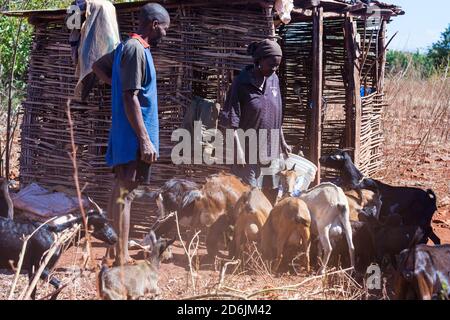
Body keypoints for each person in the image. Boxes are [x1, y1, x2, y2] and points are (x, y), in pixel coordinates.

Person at [92, 3, 170, 266]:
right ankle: (121, 255)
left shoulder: (126, 49)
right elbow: (130, 97)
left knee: (120, 190)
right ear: (154, 24)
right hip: (132, 135)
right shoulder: (136, 49)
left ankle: (114, 251)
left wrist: (116, 82)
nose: (166, 35)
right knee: (126, 193)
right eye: (165, 29)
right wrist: (145, 139)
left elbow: (97, 67)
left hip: (126, 133)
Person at [220, 39, 291, 205]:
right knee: (248, 197)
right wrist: (238, 150)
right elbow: (231, 119)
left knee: (270, 193)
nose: (274, 69)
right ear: (259, 60)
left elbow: (276, 113)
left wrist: (282, 140)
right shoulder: (241, 83)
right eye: (271, 65)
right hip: (247, 150)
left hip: (271, 148)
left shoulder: (274, 80)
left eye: (277, 65)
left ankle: (266, 229)